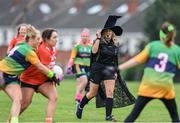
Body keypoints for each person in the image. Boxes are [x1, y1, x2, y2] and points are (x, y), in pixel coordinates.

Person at [119, 22, 180, 122]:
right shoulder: (176, 50)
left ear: (161, 34)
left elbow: (136, 60)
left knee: (133, 116)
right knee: (175, 118)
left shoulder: (153, 46)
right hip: (166, 88)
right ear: (173, 35)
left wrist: (119, 67)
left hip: (148, 86)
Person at [76, 15, 132, 122]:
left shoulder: (115, 44)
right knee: (92, 93)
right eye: (107, 32)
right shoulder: (98, 41)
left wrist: (115, 71)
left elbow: (115, 60)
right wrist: (97, 38)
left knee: (110, 92)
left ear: (112, 33)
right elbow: (93, 52)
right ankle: (80, 106)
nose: (108, 34)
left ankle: (108, 116)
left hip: (109, 69)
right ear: (103, 32)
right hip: (97, 69)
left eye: (110, 32)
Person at [0, 25, 59, 123]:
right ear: (31, 39)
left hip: (11, 78)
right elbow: (40, 66)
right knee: (20, 101)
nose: (40, 41)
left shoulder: (21, 44)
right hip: (2, 73)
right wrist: (52, 75)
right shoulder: (29, 52)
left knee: (18, 100)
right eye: (38, 39)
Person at [19, 28, 60, 123]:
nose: (56, 39)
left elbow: (50, 67)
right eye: (54, 37)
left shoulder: (53, 48)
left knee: (53, 97)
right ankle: (10, 120)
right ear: (46, 39)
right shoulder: (43, 49)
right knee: (25, 103)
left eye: (57, 37)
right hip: (29, 79)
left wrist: (54, 75)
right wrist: (55, 76)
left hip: (43, 80)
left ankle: (49, 121)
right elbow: (44, 68)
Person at [67, 28, 92, 103]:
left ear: (89, 37)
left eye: (86, 36)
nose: (84, 37)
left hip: (88, 67)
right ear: (81, 36)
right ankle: (78, 95)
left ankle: (79, 100)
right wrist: (69, 66)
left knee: (80, 82)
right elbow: (72, 57)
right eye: (83, 36)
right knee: (84, 80)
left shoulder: (91, 46)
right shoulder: (77, 46)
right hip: (78, 65)